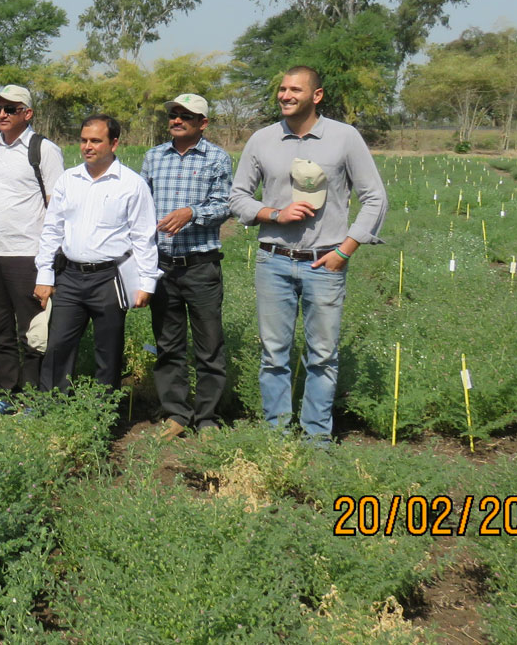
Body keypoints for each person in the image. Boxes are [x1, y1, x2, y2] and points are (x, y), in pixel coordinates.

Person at [229, 66, 388, 443]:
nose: (285, 95)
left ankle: (316, 440)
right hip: (274, 260)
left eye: (295, 89)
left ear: (316, 96)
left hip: (324, 262)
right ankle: (278, 437)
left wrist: (345, 250)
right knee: (273, 354)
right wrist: (273, 214)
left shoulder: (344, 138)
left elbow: (375, 197)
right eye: (282, 88)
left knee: (322, 355)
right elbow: (237, 197)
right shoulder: (262, 140)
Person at [34, 114, 160, 391]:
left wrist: (147, 282)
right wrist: (44, 274)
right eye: (83, 140)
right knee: (58, 346)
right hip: (70, 276)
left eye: (95, 141)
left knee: (108, 349)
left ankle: (104, 414)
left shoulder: (131, 184)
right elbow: (52, 230)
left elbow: (143, 237)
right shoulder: (68, 180)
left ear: (114, 143)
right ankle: (50, 405)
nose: (87, 146)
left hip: (109, 279)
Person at [141, 93, 233, 439]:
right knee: (168, 344)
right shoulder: (154, 157)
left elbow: (224, 205)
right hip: (163, 266)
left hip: (200, 266)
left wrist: (192, 213)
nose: (177, 120)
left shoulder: (217, 158)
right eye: (174, 115)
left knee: (209, 345)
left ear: (203, 123)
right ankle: (176, 412)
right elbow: (141, 206)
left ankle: (207, 417)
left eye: (186, 116)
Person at [0, 85, 64, 405]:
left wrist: (48, 261)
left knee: (33, 331)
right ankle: (6, 392)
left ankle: (31, 396)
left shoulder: (43, 149)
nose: (1, 114)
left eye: (10, 109)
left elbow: (55, 206)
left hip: (28, 255)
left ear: (27, 114)